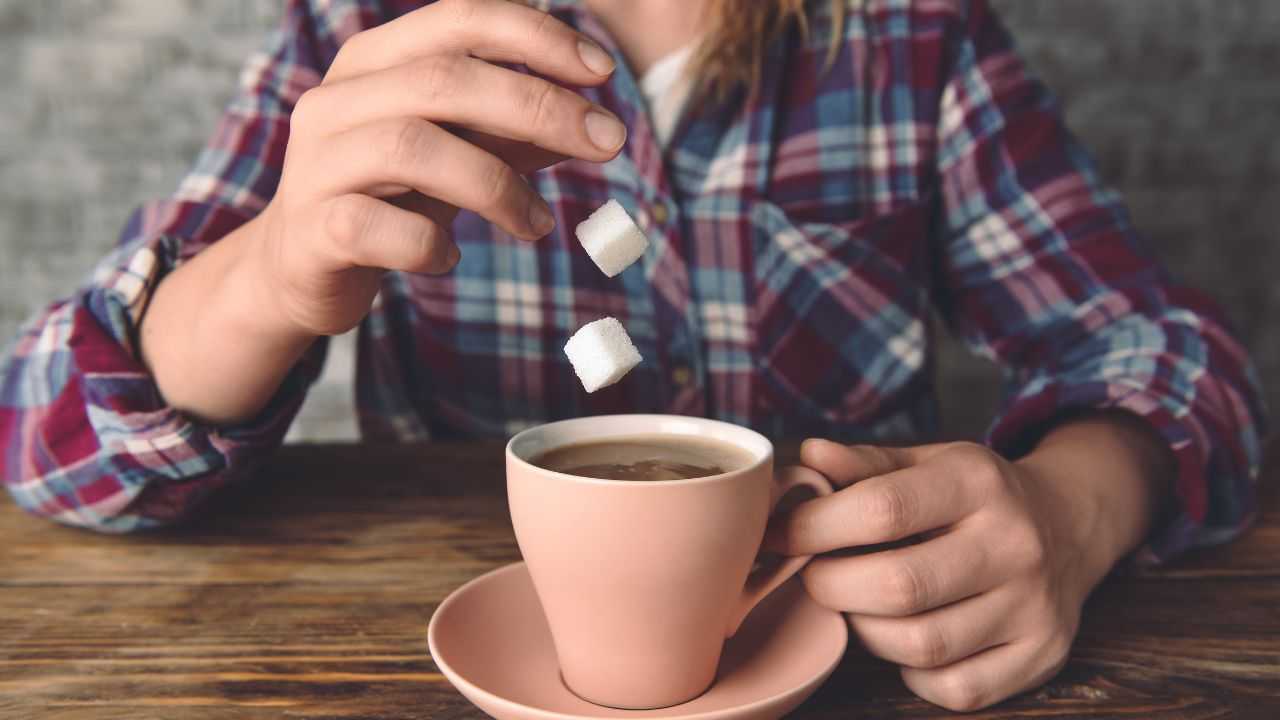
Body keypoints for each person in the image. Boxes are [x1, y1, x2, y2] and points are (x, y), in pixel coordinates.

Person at [0, 0, 1266, 710]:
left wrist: (1075, 507)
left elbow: (1165, 349)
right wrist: (269, 272)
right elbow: (43, 438)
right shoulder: (362, 32)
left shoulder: (909, 42)